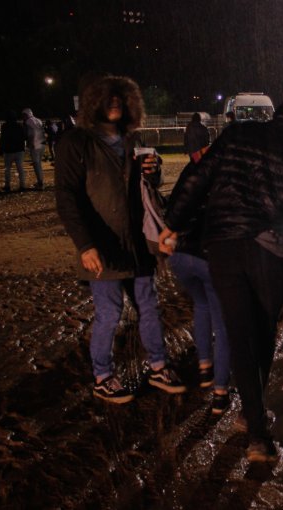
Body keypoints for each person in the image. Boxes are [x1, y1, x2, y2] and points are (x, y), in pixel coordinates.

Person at [159, 97, 283, 463]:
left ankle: (253, 422)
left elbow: (197, 178)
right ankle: (256, 430)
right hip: (267, 252)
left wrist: (172, 224)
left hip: (223, 247)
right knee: (263, 333)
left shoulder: (237, 134)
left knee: (239, 334)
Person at [54, 75, 186, 404]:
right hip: (103, 246)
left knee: (149, 308)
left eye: (120, 98)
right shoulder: (76, 142)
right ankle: (102, 376)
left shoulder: (133, 139)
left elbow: (148, 187)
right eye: (108, 99)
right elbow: (67, 199)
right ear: (92, 104)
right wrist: (85, 245)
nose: (115, 104)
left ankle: (158, 366)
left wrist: (154, 171)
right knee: (109, 314)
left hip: (138, 245)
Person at [166, 167, 232, 415]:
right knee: (223, 326)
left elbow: (172, 214)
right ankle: (220, 392)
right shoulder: (226, 183)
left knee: (201, 306)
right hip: (209, 259)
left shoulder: (190, 176)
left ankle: (205, 366)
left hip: (181, 257)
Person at [0, 111, 26, 192]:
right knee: (20, 169)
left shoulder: (4, 126)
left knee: (7, 169)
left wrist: (1, 150)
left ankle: (7, 185)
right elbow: (24, 137)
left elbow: (3, 139)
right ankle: (22, 185)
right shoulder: (19, 126)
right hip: (19, 150)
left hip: (8, 150)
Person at [21, 108, 46, 189]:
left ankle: (40, 183)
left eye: (23, 115)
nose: (23, 117)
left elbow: (31, 134)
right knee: (38, 163)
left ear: (27, 115)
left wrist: (30, 143)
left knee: (36, 164)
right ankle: (40, 181)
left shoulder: (28, 121)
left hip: (35, 144)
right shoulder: (38, 120)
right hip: (42, 143)